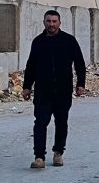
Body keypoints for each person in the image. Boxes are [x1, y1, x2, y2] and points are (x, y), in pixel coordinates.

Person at [21, 10, 87, 169]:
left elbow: (79, 64)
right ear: (44, 22)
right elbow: (31, 66)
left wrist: (80, 84)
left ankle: (58, 153)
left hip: (63, 91)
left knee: (61, 122)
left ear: (59, 23)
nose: (51, 24)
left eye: (54, 21)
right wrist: (27, 87)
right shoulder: (38, 42)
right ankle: (39, 157)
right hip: (43, 91)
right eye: (48, 21)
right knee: (40, 123)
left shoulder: (69, 41)